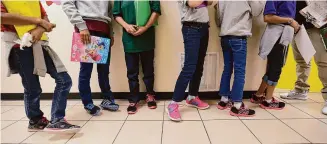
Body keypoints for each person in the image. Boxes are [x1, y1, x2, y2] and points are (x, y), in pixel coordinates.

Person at [1, 1, 80, 132]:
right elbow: (2, 16)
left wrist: (40, 27)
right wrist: (38, 21)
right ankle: (36, 120)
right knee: (33, 88)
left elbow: (45, 18)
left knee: (64, 80)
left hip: (40, 43)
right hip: (19, 45)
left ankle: (57, 120)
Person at [62, 1, 119, 116]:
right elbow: (67, 4)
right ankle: (87, 102)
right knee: (86, 70)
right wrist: (81, 26)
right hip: (86, 28)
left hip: (104, 28)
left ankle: (107, 99)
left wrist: (110, 33)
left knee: (104, 69)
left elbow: (108, 11)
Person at [215, 1, 265, 117]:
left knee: (227, 68)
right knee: (240, 71)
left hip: (225, 37)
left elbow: (219, 19)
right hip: (238, 37)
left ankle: (224, 100)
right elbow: (257, 11)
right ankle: (237, 105)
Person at [167, 0, 212, 121]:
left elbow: (211, 2)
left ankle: (192, 97)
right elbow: (192, 3)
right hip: (191, 28)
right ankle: (173, 103)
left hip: (204, 28)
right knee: (189, 67)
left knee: (199, 65)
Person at [279, 1, 327, 115]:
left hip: (317, 26)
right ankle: (301, 89)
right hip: (298, 26)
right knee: (301, 60)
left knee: (323, 61)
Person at [113, 0, 161, 114]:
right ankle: (133, 99)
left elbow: (156, 10)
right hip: (129, 37)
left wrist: (145, 27)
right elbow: (116, 14)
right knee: (132, 72)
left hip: (147, 35)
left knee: (148, 70)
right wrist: (126, 26)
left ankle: (150, 95)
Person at [251, 0, 300, 110]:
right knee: (276, 68)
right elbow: (267, 17)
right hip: (276, 36)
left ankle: (258, 95)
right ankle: (268, 101)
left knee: (272, 67)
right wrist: (290, 20)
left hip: (284, 35)